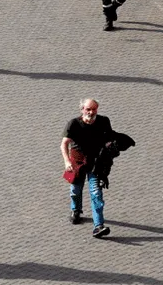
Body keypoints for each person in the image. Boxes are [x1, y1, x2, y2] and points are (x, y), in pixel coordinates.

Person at [60, 99, 114, 238]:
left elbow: (109, 138)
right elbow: (64, 144)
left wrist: (111, 146)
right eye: (88, 109)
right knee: (75, 191)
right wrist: (67, 162)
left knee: (96, 194)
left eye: (94, 109)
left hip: (96, 164)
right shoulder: (73, 124)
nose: (91, 112)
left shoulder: (103, 121)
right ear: (82, 109)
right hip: (77, 164)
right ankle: (76, 210)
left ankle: (98, 226)